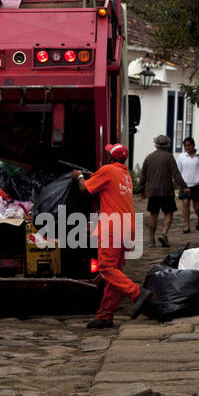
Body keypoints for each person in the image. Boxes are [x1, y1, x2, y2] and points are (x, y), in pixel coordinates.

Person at [72, 144, 152, 328]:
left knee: (106, 268)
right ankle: (105, 315)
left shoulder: (107, 170)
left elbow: (84, 189)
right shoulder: (125, 175)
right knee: (115, 273)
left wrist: (80, 176)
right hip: (128, 227)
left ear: (109, 157)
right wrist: (95, 175)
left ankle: (137, 293)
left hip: (112, 227)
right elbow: (109, 185)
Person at [141, 135, 178, 248]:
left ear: (156, 144)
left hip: (153, 192)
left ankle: (151, 239)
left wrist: (142, 189)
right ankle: (164, 233)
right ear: (167, 144)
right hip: (167, 191)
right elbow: (176, 174)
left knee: (153, 215)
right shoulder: (169, 157)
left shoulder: (149, 157)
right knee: (168, 213)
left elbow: (143, 175)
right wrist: (184, 186)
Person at [175, 136, 199, 233]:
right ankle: (186, 226)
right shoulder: (181, 157)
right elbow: (178, 171)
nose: (187, 148)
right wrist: (181, 183)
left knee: (197, 207)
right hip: (185, 185)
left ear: (193, 145)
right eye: (185, 146)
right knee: (185, 204)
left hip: (197, 185)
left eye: (189, 145)